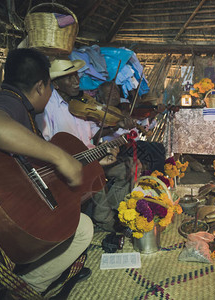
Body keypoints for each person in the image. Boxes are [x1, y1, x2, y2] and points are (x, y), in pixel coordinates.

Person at [0, 48, 93, 297]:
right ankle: (24, 290)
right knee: (82, 227)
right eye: (50, 88)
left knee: (66, 216)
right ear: (40, 87)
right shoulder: (8, 103)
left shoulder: (20, 108)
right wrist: (59, 156)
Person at [36, 58, 138, 232]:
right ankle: (105, 222)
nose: (76, 81)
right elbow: (44, 146)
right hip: (68, 165)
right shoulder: (47, 108)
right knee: (94, 173)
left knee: (129, 166)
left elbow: (94, 136)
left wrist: (114, 129)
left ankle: (117, 212)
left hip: (91, 156)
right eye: (69, 78)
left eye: (76, 75)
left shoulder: (81, 103)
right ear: (57, 85)